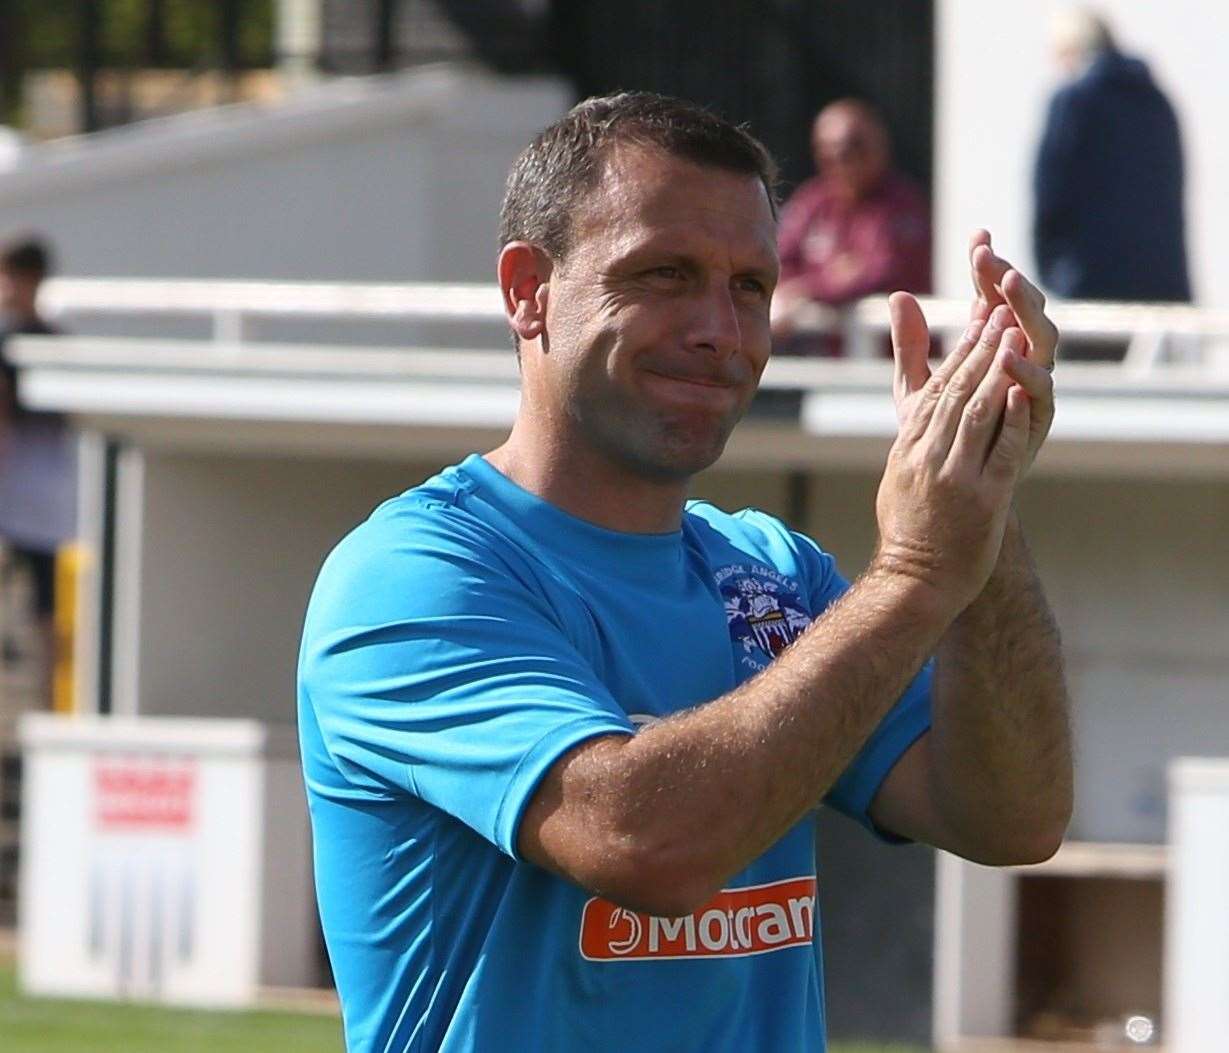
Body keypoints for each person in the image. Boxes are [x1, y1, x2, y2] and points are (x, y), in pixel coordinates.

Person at [298, 92, 1072, 1052]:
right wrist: (916, 571)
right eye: (664, 274)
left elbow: (1009, 816)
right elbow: (643, 844)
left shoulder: (773, 574)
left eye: (750, 285)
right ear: (526, 289)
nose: (720, 327)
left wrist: (980, 495)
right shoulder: (415, 574)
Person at [1034, 10, 1190, 306]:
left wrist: (1056, 273)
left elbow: (1051, 193)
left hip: (1090, 284)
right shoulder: (1156, 101)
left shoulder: (1074, 101)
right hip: (1162, 286)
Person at [772, 99, 931, 355]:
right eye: (828, 148)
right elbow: (775, 260)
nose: (840, 157)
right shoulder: (814, 201)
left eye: (854, 145)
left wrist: (807, 288)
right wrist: (830, 276)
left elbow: (880, 273)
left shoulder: (902, 204)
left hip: (896, 364)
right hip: (833, 366)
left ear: (880, 145)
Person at [0, 236, 74, 665]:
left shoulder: (49, 344)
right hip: (16, 506)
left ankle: (51, 701)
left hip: (41, 507)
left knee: (48, 615)